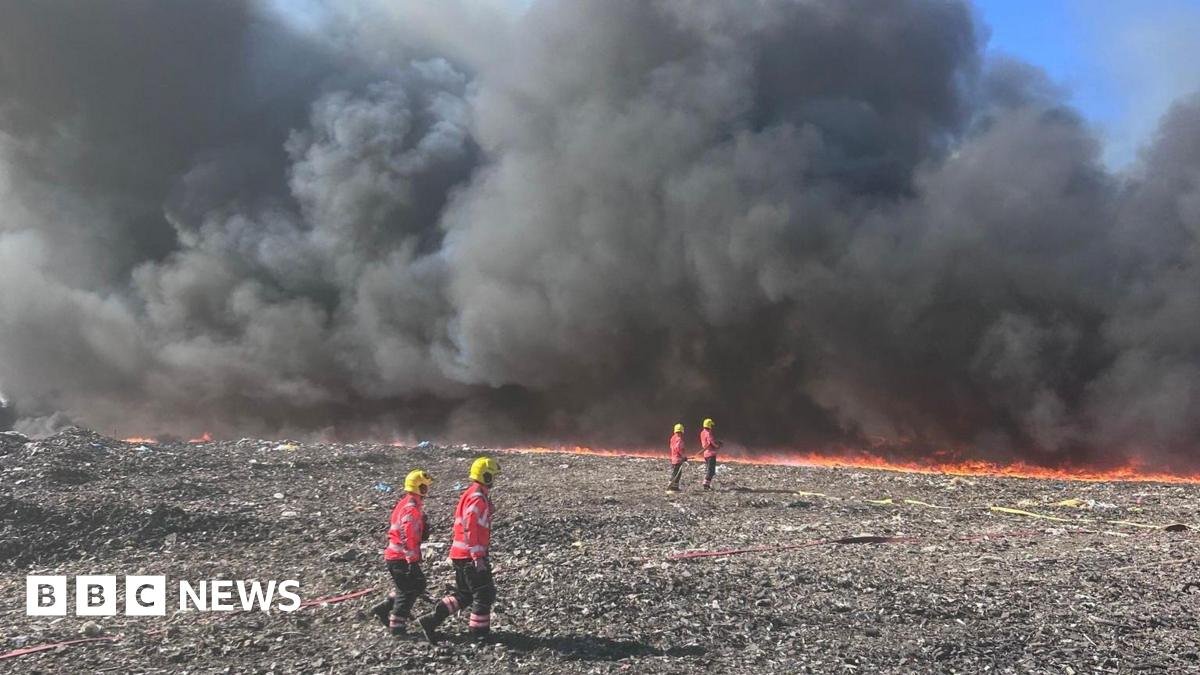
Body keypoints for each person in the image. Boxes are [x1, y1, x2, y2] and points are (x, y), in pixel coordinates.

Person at [418, 456, 501, 643]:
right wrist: (478, 556)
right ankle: (479, 633)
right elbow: (471, 525)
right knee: (484, 593)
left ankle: (430, 621)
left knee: (465, 594)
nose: (494, 481)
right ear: (486, 476)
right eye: (492, 477)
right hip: (470, 556)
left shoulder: (471, 494)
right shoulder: (477, 498)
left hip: (460, 554)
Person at [370, 469, 432, 636]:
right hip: (401, 558)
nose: (427, 491)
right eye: (425, 487)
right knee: (409, 590)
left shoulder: (407, 503)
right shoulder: (411, 508)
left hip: (397, 556)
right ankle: (397, 626)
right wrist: (412, 561)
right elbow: (408, 535)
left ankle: (384, 608)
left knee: (411, 586)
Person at [699, 418, 723, 490]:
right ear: (709, 425)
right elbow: (712, 442)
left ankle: (707, 484)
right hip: (710, 454)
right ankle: (706, 484)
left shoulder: (702, 433)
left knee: (709, 469)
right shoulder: (708, 433)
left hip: (705, 454)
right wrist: (718, 445)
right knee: (711, 471)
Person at [667, 423, 686, 492]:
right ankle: (672, 486)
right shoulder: (680, 440)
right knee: (677, 474)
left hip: (673, 458)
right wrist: (683, 457)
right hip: (678, 459)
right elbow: (679, 448)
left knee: (675, 472)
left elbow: (671, 447)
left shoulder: (672, 438)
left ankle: (675, 487)